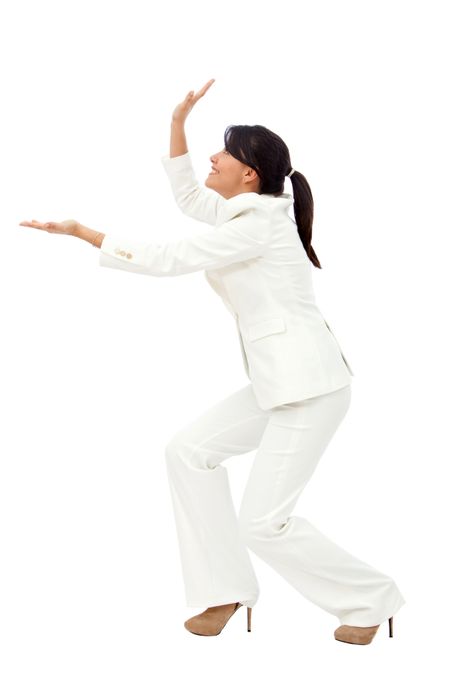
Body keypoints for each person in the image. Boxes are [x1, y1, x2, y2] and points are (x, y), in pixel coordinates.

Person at [19, 78, 406, 645]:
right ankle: (223, 591)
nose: (212, 158)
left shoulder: (256, 225)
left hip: (310, 388)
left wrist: (83, 233)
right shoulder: (253, 209)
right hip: (280, 382)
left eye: (222, 154)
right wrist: (177, 122)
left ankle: (372, 599)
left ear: (249, 174)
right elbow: (190, 200)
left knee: (263, 523)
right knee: (188, 452)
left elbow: (169, 257)